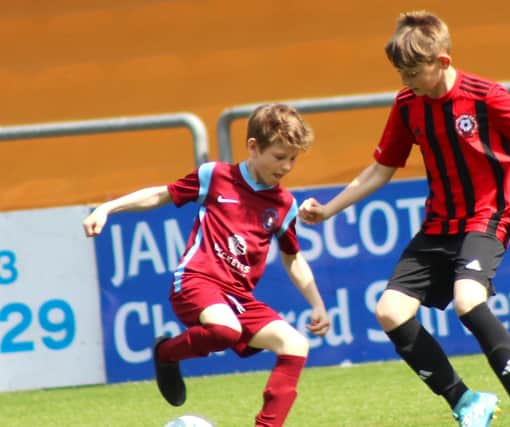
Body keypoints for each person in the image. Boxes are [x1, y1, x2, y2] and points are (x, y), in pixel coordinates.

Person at [299, 11, 510, 427]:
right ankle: (466, 401)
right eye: (400, 74)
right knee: (389, 311)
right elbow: (379, 169)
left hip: (489, 215)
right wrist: (329, 209)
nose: (406, 82)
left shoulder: (484, 96)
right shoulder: (407, 105)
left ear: (441, 61)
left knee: (467, 300)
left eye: (413, 73)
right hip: (440, 223)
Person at [83, 103, 330, 427]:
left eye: (293, 159)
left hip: (238, 298)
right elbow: (162, 194)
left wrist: (317, 303)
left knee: (295, 344)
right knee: (227, 330)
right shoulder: (216, 176)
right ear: (253, 147)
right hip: (196, 281)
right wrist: (108, 208)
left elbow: (293, 257)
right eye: (279, 156)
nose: (286, 166)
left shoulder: (284, 204)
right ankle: (167, 353)